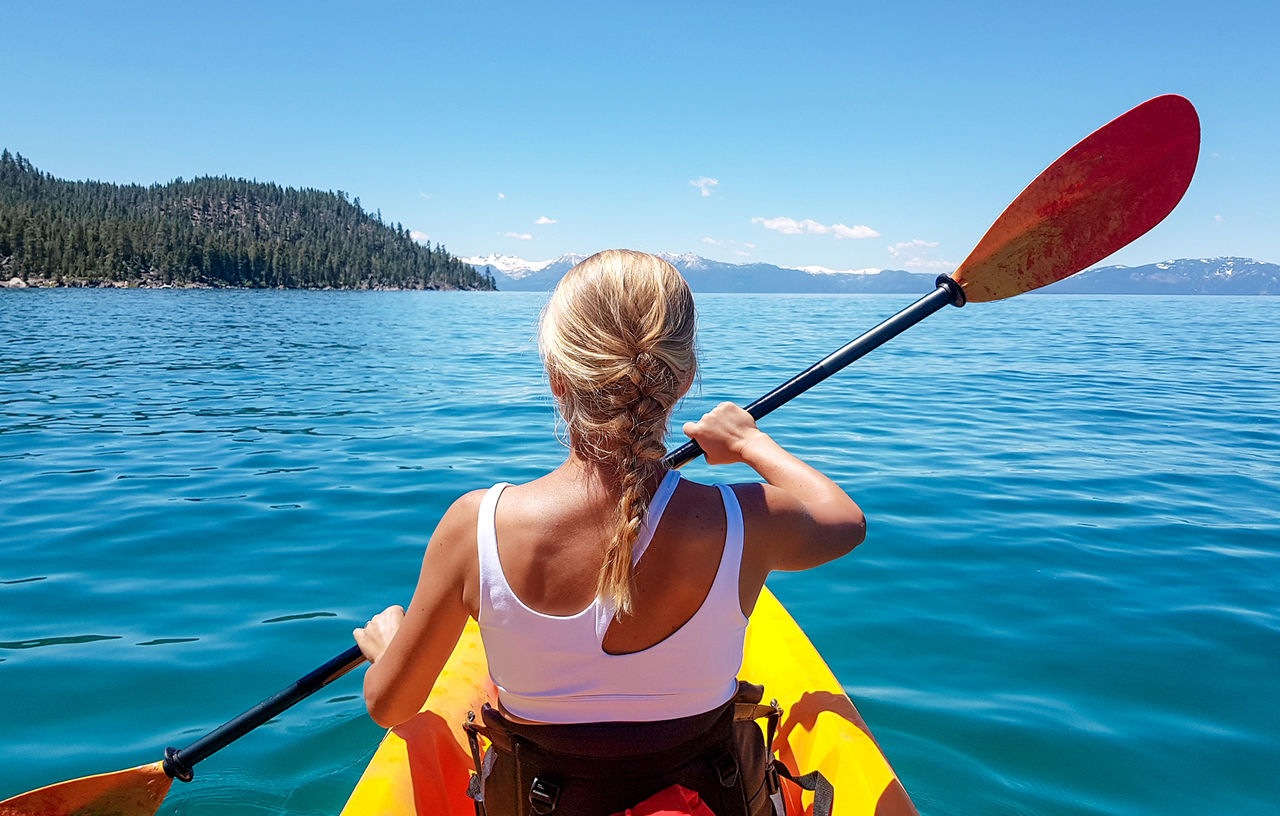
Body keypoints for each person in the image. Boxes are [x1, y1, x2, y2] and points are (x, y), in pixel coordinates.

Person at [353, 249, 865, 813]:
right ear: (685, 378)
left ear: (557, 379)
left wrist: (390, 649)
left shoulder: (475, 527)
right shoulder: (749, 520)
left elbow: (390, 707)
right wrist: (749, 443)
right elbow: (845, 521)